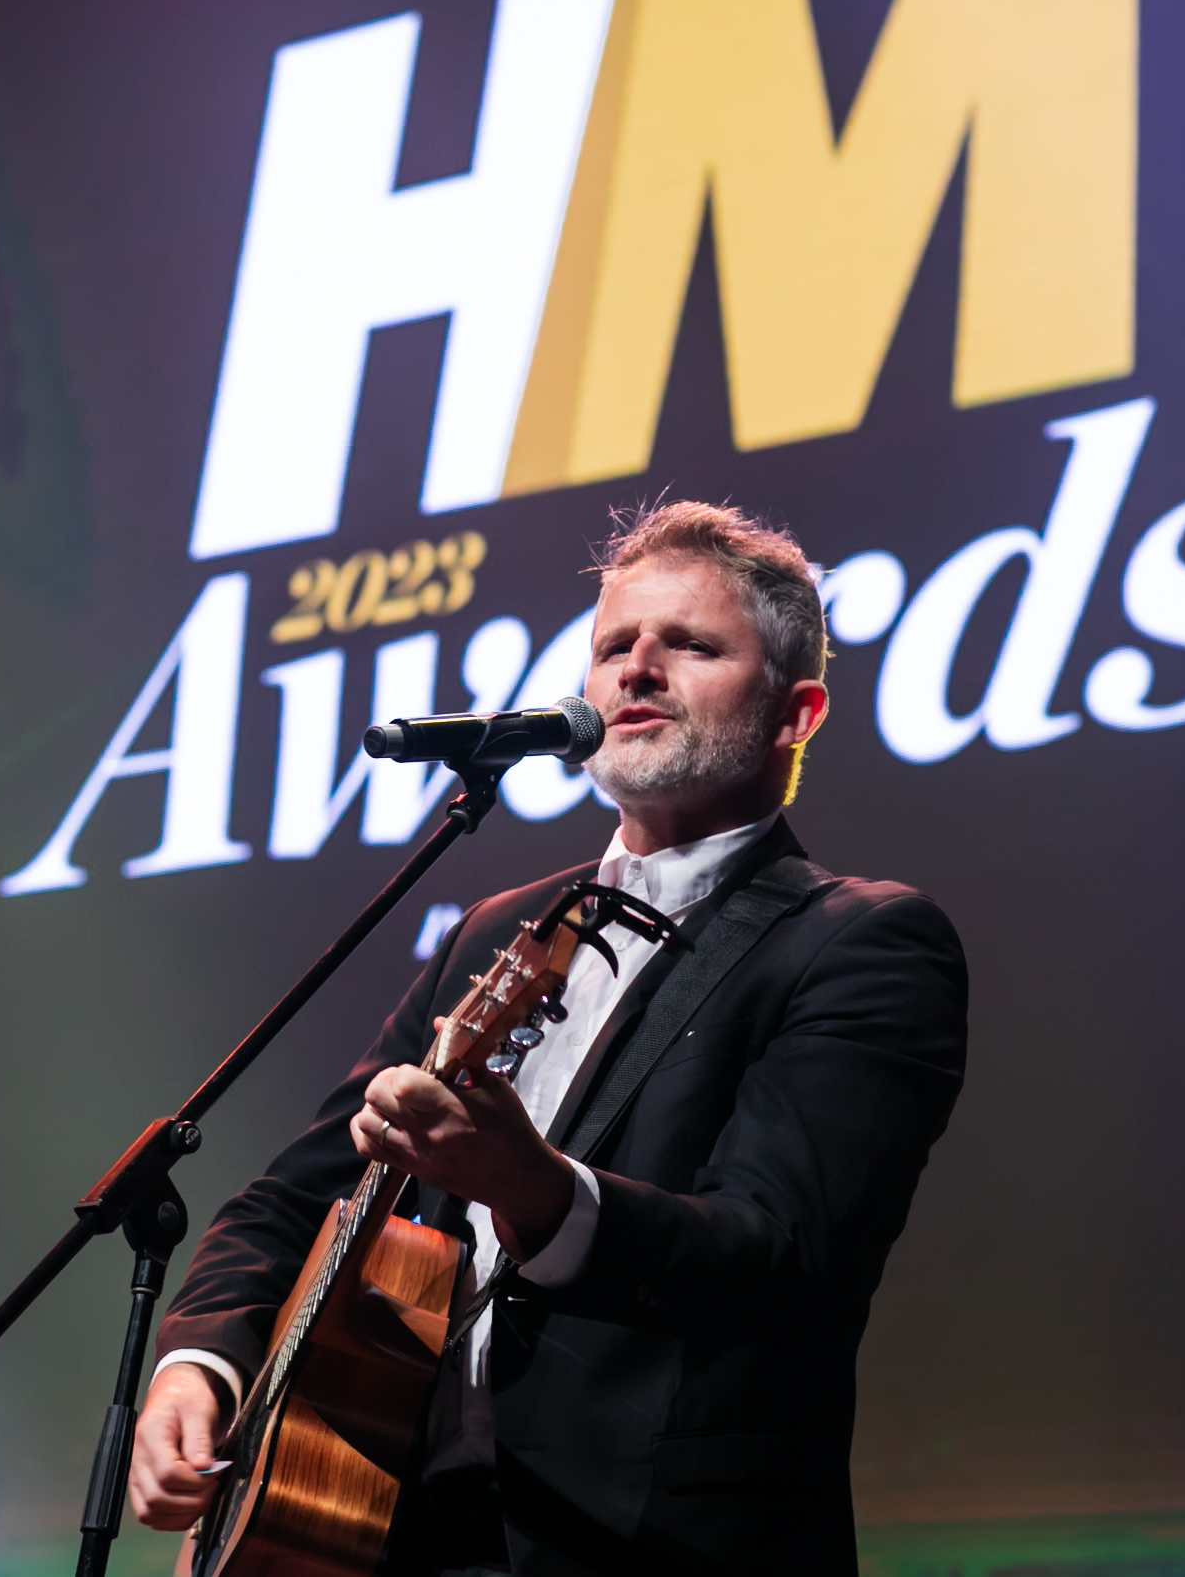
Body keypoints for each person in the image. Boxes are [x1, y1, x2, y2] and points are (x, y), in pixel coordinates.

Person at [127, 501, 970, 1576]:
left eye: (690, 645)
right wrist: (198, 1365)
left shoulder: (859, 941)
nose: (636, 669)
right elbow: (298, 1197)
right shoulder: (497, 928)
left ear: (794, 713)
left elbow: (776, 1261)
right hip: (392, 1533)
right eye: (614, 646)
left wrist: (535, 1192)